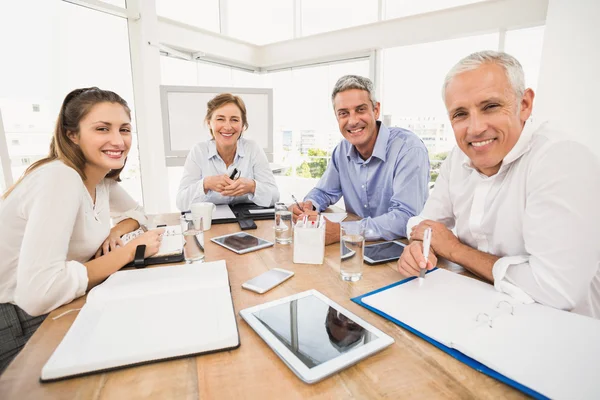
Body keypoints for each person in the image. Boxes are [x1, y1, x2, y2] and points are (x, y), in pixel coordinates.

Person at [398, 51, 600, 318]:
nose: (476, 128)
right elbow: (426, 225)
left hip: (563, 331)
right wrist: (418, 247)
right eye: (460, 114)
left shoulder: (561, 157)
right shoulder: (458, 157)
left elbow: (555, 291)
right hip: (485, 312)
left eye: (490, 106)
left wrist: (455, 250)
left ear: (524, 104)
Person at [0, 87, 164, 372]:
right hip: (14, 321)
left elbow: (139, 214)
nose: (118, 140)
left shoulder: (100, 180)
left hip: (47, 305)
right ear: (71, 135)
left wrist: (117, 231)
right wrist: (128, 252)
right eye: (102, 129)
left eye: (124, 129)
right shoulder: (59, 177)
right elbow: (39, 293)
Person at [290, 75, 430, 244]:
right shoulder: (342, 150)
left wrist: (342, 231)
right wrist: (308, 206)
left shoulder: (408, 148)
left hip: (402, 248)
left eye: (360, 110)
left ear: (376, 110)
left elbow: (406, 218)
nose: (353, 121)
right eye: (343, 113)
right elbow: (324, 192)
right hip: (358, 248)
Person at [176, 93, 279, 211]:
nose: (228, 126)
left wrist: (252, 187)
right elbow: (181, 202)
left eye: (234, 120)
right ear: (209, 122)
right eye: (220, 119)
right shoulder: (199, 151)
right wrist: (206, 184)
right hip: (210, 224)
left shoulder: (253, 149)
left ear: (242, 125)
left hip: (248, 222)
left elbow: (275, 197)